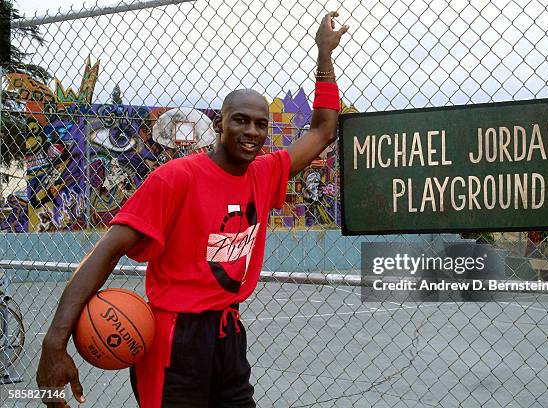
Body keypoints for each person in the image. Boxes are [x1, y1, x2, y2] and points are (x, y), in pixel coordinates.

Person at [36, 10, 349, 408]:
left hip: (227, 334)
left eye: (260, 124)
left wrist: (324, 54)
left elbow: (323, 129)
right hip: (173, 338)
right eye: (240, 120)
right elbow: (107, 250)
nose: (251, 132)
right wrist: (54, 342)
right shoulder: (175, 178)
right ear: (219, 123)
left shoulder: (267, 173)